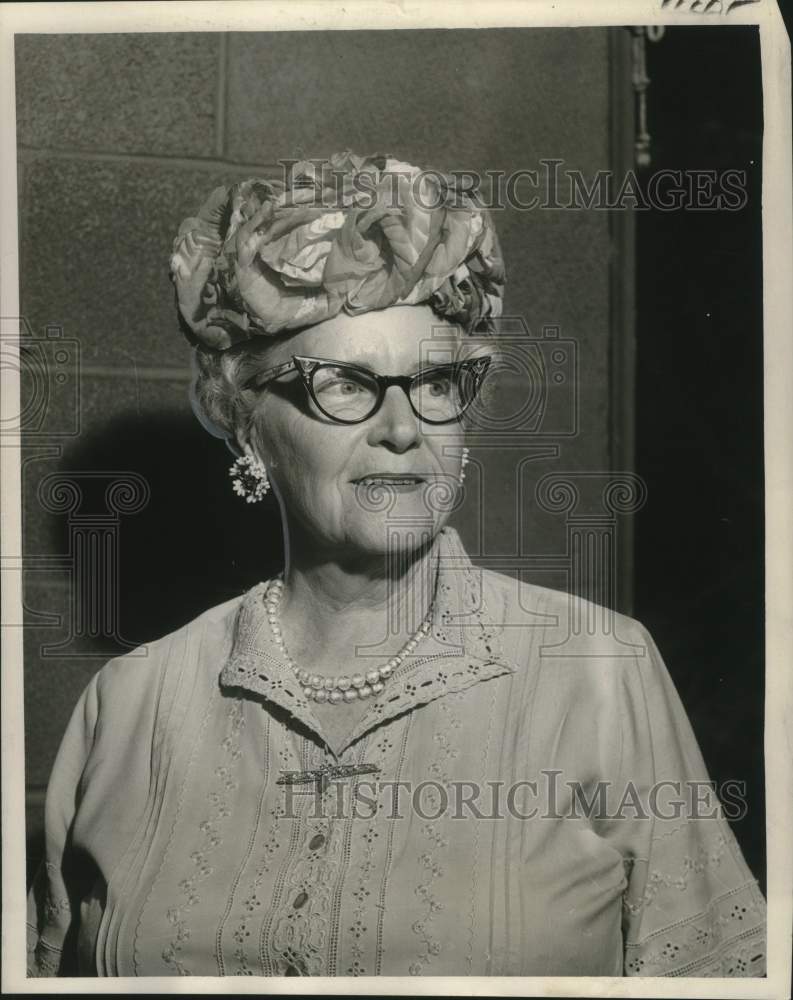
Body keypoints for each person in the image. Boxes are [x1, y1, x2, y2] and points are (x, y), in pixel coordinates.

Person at [26, 151, 766, 978]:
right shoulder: (129, 705)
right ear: (247, 426)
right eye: (344, 384)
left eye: (435, 382)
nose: (401, 428)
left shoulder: (599, 670)